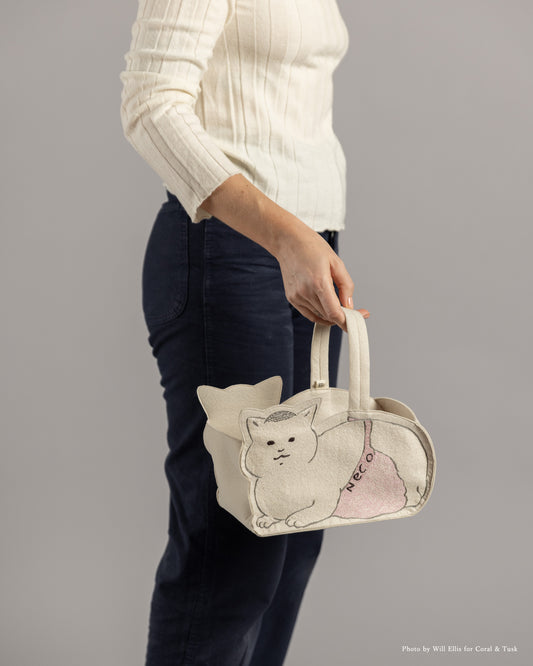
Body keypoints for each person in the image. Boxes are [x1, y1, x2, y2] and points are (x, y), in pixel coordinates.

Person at [119, 1, 367, 664]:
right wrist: (286, 238)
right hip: (228, 251)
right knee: (237, 539)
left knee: (296, 527)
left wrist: (307, 242)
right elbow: (150, 105)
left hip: (305, 249)